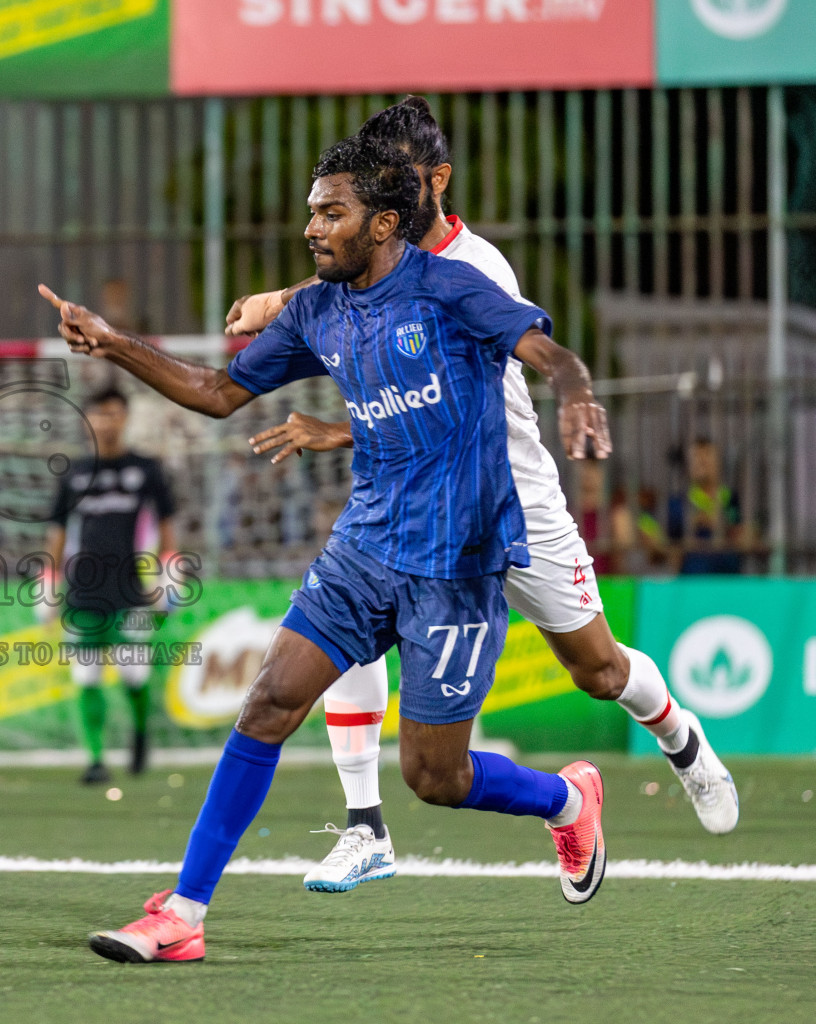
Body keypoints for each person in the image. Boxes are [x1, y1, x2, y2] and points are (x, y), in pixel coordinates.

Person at [42, 135, 612, 963]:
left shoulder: (452, 288)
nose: (312, 227)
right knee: (270, 701)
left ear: (384, 224)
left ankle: (566, 801)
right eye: (311, 210)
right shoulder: (317, 309)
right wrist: (114, 342)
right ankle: (185, 914)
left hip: (457, 561)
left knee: (434, 776)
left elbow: (543, 348)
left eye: (330, 213)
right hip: (366, 545)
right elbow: (216, 392)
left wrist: (576, 386)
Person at [230, 99, 738, 891]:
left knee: (599, 671)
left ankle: (681, 739)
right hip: (414, 509)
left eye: (397, 178)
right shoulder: (369, 267)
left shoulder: (475, 271)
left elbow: (456, 411)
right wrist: (294, 311)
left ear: (435, 180)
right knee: (343, 633)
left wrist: (570, 381)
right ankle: (364, 827)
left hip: (512, 499)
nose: (382, 193)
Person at [44, 386, 177, 784]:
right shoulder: (75, 473)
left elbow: (167, 528)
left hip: (131, 590)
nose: (106, 422)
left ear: (125, 417)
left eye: (114, 413)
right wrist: (48, 584)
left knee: (134, 675)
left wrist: (169, 578)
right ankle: (95, 758)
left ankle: (139, 734)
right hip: (83, 592)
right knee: (86, 675)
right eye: (99, 414)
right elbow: (57, 533)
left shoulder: (147, 470)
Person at [668, 438, 745, 575]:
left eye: (707, 455)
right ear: (687, 465)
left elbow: (742, 533)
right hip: (692, 581)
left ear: (719, 461)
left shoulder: (732, 498)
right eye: (696, 457)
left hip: (731, 581)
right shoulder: (679, 501)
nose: (702, 462)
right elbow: (671, 543)